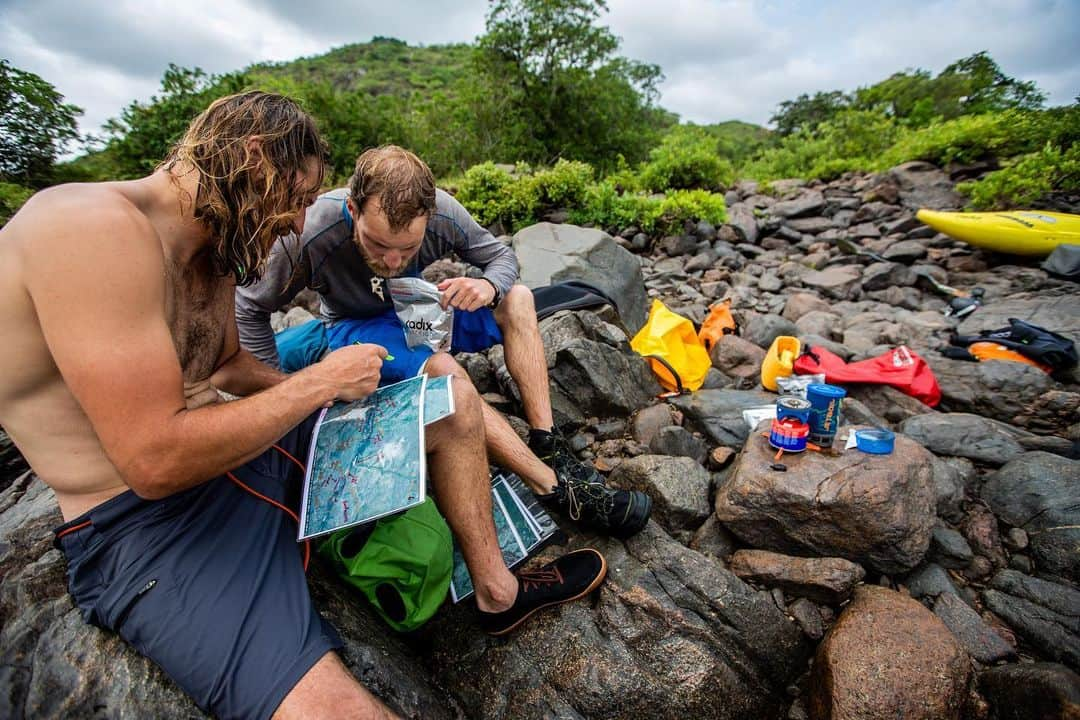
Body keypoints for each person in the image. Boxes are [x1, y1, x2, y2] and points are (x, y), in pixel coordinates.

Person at [0, 92, 607, 720]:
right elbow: (152, 460)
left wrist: (345, 402)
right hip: (148, 522)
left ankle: (496, 593)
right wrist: (315, 384)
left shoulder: (217, 242)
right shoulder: (83, 226)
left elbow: (230, 366)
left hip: (252, 452)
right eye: (294, 201)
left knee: (447, 396)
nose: (296, 223)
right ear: (254, 159)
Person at [235, 145, 652, 539]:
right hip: (356, 324)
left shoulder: (444, 213)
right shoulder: (309, 232)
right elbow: (249, 308)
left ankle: (547, 441)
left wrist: (487, 286)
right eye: (377, 245)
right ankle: (553, 487)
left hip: (418, 308)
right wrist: (277, 389)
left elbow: (503, 259)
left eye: (407, 248)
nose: (393, 261)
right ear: (352, 208)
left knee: (520, 299)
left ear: (429, 216)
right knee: (443, 370)